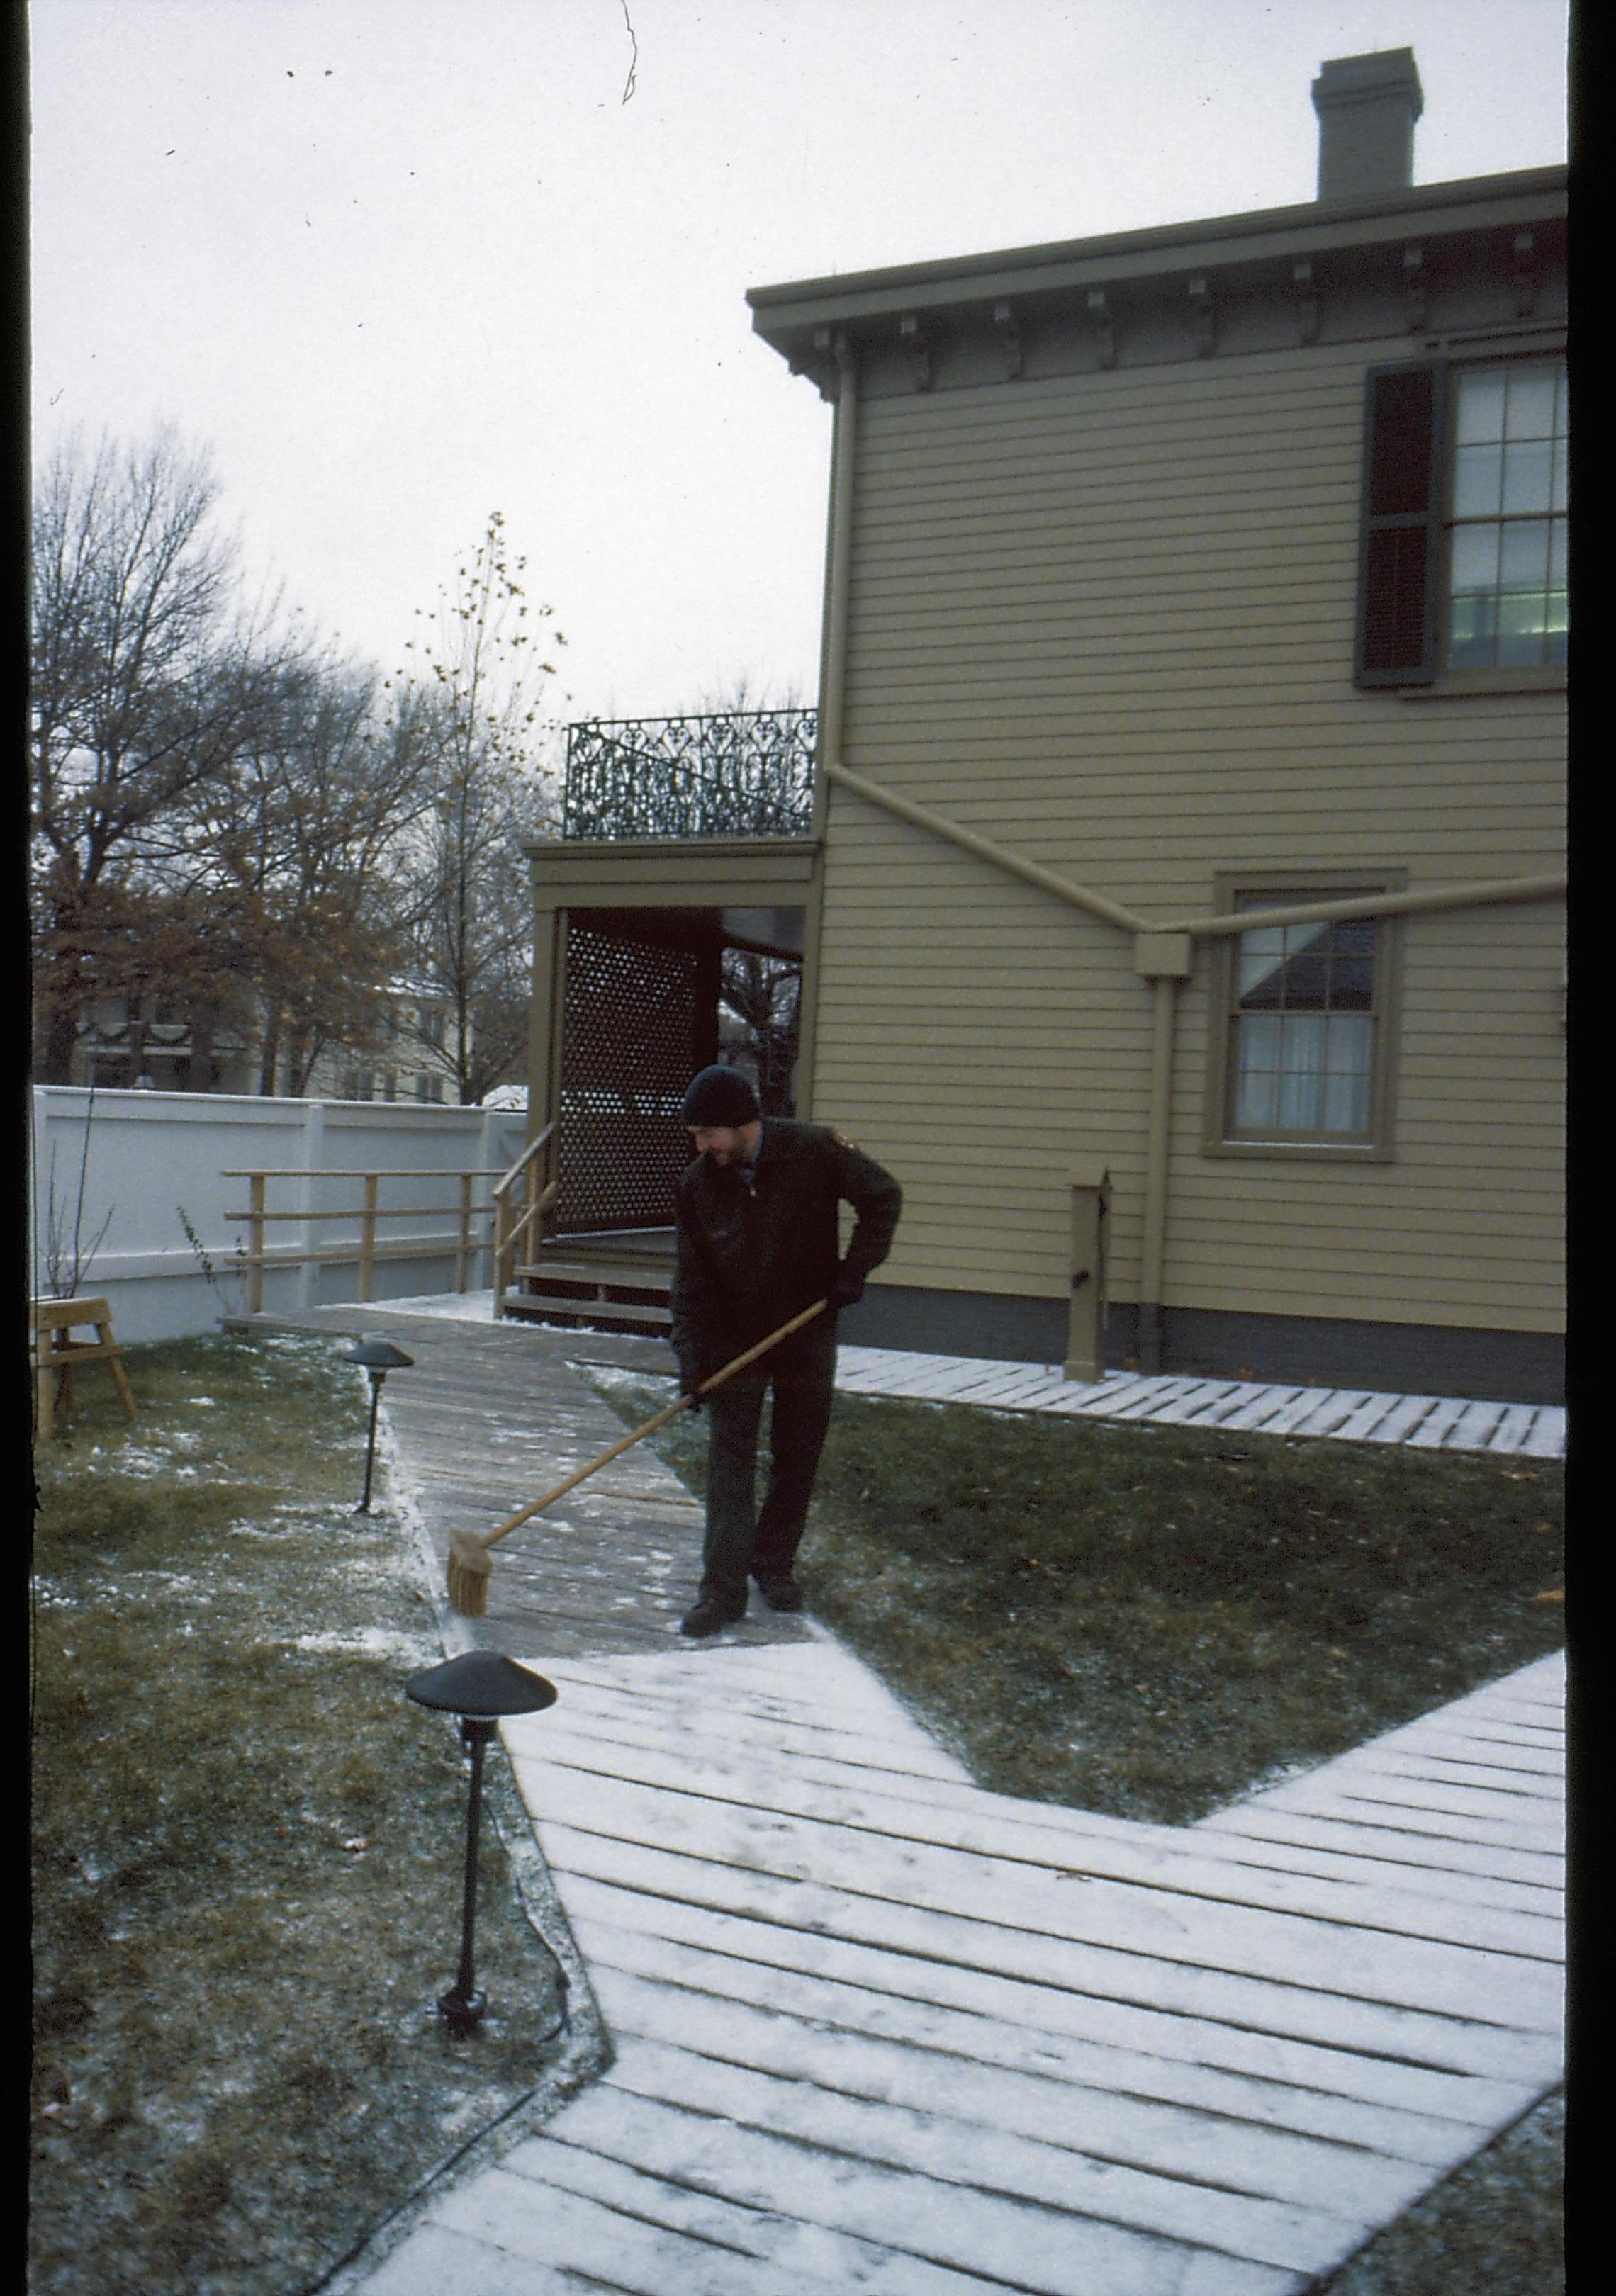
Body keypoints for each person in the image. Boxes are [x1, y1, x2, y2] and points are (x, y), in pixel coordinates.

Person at [670, 1062, 902, 1637]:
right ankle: (721, 1592)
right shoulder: (697, 1185)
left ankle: (773, 1564)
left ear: (741, 1123)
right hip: (735, 1338)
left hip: (806, 1326)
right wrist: (694, 1360)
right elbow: (690, 1283)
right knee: (730, 1462)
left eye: (707, 1134)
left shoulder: (814, 1151)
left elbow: (882, 1196)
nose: (700, 1147)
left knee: (797, 1453)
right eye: (696, 1137)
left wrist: (854, 1270)